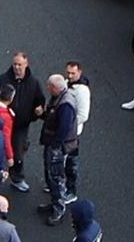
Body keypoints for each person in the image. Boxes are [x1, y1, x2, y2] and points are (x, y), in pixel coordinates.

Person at [0, 52, 45, 192]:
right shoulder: (2, 79)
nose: (16, 67)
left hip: (20, 125)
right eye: (14, 64)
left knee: (18, 153)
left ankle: (17, 178)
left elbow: (40, 101)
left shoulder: (33, 83)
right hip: (1, 123)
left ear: (26, 64)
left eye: (19, 65)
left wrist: (37, 112)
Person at [37, 74, 78, 226]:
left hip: (58, 147)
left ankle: (58, 209)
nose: (47, 88)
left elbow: (64, 128)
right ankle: (54, 202)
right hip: (54, 145)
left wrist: (55, 145)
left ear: (55, 87)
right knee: (51, 176)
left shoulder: (65, 104)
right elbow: (53, 118)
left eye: (49, 86)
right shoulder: (60, 98)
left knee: (56, 178)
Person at [65, 61, 90, 201]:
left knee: (70, 163)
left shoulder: (82, 91)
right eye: (68, 73)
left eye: (73, 73)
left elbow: (83, 115)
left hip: (73, 134)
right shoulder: (66, 84)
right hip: (63, 131)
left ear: (79, 72)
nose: (69, 76)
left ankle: (71, 190)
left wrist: (68, 125)